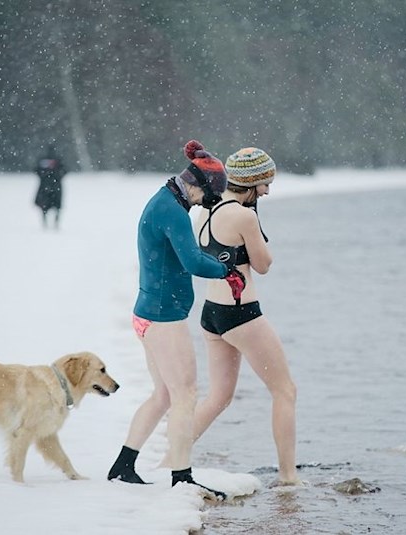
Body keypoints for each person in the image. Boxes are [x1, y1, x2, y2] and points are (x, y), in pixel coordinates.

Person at [107, 140, 245, 501]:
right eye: (207, 197)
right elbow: (194, 262)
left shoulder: (163, 201)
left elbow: (184, 252)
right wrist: (226, 269)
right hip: (164, 319)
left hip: (146, 314)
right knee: (185, 394)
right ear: (197, 184)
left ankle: (123, 466)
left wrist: (213, 262)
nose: (205, 203)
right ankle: (182, 478)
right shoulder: (171, 210)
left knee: (164, 394)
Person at [193, 147, 300, 485]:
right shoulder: (244, 216)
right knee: (285, 391)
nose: (267, 191)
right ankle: (288, 478)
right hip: (242, 314)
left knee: (218, 397)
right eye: (265, 184)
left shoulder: (205, 211)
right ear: (251, 183)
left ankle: (170, 456)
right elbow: (264, 265)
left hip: (211, 313)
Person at [33, 145, 66, 228]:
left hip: (47, 186)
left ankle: (48, 223)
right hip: (53, 187)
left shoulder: (45, 161)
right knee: (55, 207)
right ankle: (52, 222)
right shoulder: (57, 160)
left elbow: (36, 171)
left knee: (46, 207)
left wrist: (46, 174)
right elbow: (64, 171)